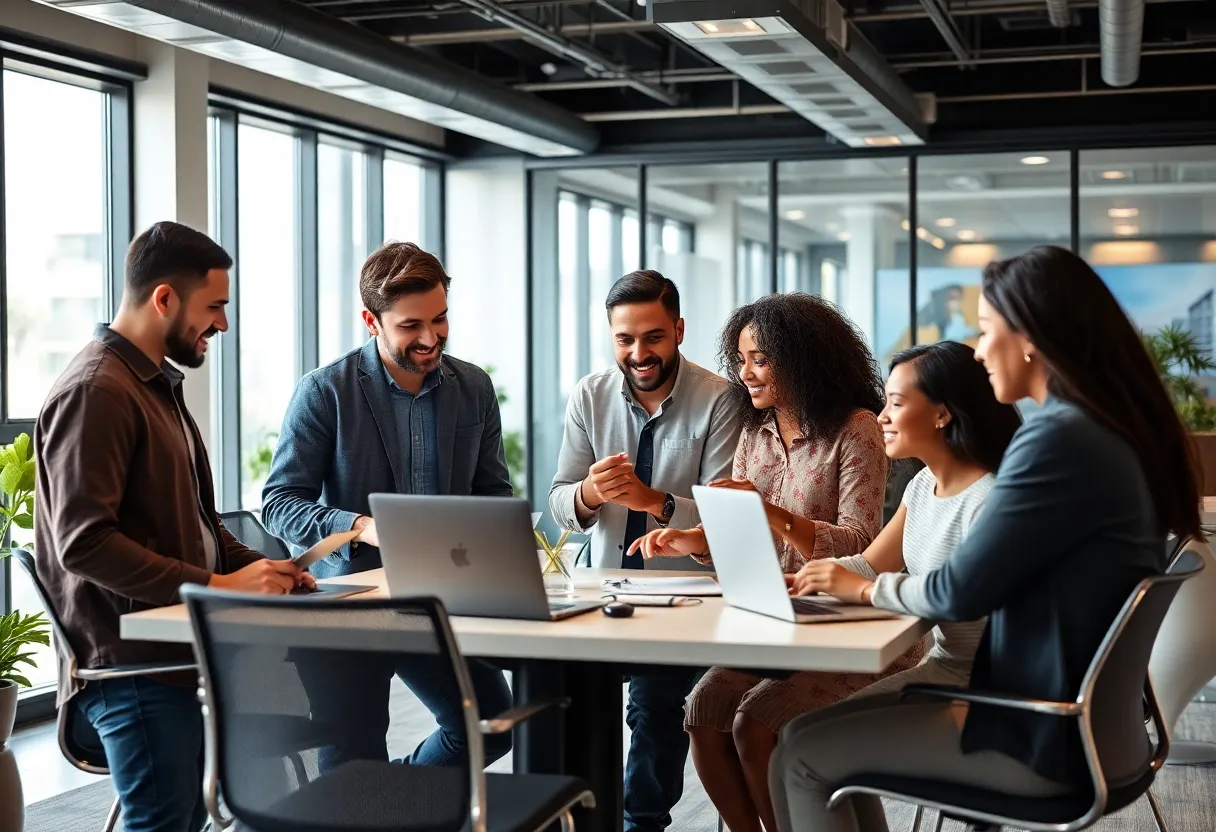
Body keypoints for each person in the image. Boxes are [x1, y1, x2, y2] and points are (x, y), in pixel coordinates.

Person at [769, 245, 1202, 832]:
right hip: (1089, 727)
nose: (977, 349)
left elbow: (959, 592)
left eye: (986, 328)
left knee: (799, 753)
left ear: (1030, 338)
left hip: (1039, 733)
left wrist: (865, 590)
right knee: (798, 739)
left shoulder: (1058, 442)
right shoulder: (1103, 434)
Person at [33, 221, 313, 832]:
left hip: (174, 659)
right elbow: (84, 543)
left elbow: (200, 522)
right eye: (214, 307)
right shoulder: (97, 392)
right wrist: (219, 588)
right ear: (164, 299)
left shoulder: (154, 387)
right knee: (165, 823)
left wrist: (258, 568)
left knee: (188, 817)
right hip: (130, 671)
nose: (223, 324)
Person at [631, 292, 902, 832]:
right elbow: (746, 532)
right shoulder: (756, 431)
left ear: (802, 358)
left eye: (760, 359)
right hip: (777, 618)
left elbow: (859, 546)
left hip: (846, 623)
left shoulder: (857, 428)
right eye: (740, 358)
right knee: (704, 710)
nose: (744, 372)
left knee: (754, 725)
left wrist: (773, 514)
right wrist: (692, 540)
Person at [261, 241, 513, 769]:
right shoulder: (324, 391)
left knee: (487, 725)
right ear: (371, 320)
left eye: (440, 320)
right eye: (410, 326)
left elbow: (492, 494)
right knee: (352, 770)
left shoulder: (473, 388)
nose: (429, 338)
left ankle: (399, 800)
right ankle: (381, 802)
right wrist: (359, 526)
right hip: (347, 608)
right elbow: (280, 503)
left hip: (438, 600)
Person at [549, 270, 741, 832]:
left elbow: (720, 513)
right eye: (625, 339)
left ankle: (643, 823)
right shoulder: (589, 395)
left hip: (685, 594)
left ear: (678, 329)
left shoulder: (719, 400)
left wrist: (654, 502)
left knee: (654, 710)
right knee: (578, 706)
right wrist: (587, 493)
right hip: (601, 583)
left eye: (653, 337)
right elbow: (560, 501)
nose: (639, 353)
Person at [789, 340, 1019, 691]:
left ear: (942, 414)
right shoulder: (923, 484)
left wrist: (865, 590)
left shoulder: (988, 500)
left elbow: (948, 595)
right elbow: (870, 566)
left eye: (895, 403)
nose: (881, 416)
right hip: (942, 670)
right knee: (797, 734)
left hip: (983, 689)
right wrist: (811, 579)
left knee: (802, 737)